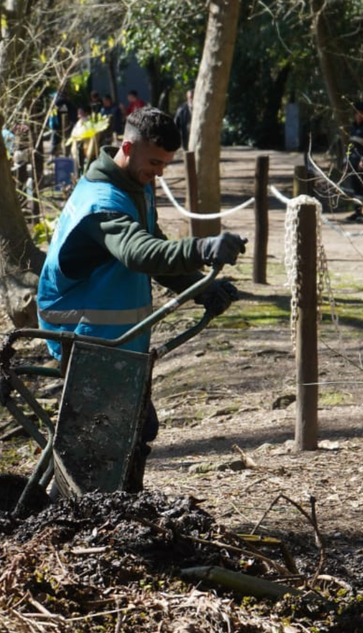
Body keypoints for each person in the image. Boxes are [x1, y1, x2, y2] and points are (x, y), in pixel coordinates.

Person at [37, 106, 245, 491]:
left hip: (111, 334)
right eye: (154, 162)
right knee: (106, 431)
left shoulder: (136, 187)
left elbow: (156, 253)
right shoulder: (102, 202)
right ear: (128, 148)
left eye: (165, 164)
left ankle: (112, 506)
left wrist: (200, 287)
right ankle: (78, 508)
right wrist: (202, 246)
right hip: (80, 331)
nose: (160, 172)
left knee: (134, 427)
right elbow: (138, 253)